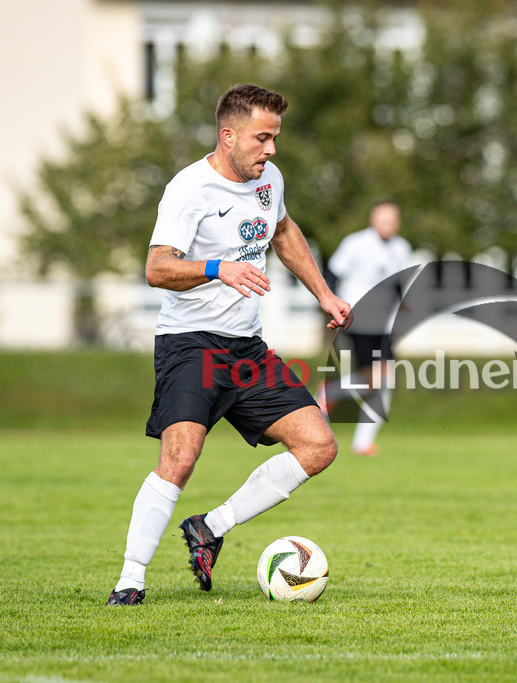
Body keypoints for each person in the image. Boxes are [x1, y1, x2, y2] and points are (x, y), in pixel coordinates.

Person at [106, 84, 352, 606]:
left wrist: (324, 294)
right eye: (262, 138)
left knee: (319, 446)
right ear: (229, 135)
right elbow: (157, 268)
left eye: (275, 138)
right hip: (190, 345)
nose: (271, 149)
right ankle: (130, 580)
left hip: (247, 350)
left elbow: (283, 232)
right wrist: (219, 267)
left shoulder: (269, 180)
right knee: (180, 457)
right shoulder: (189, 188)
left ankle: (211, 527)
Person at [317, 200, 412, 456]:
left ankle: (362, 441)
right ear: (373, 220)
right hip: (358, 320)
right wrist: (333, 303)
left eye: (392, 220)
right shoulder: (355, 243)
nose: (388, 224)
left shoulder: (402, 247)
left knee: (382, 381)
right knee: (377, 379)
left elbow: (397, 281)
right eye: (383, 219)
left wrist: (404, 302)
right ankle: (329, 393)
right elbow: (332, 273)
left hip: (384, 324)